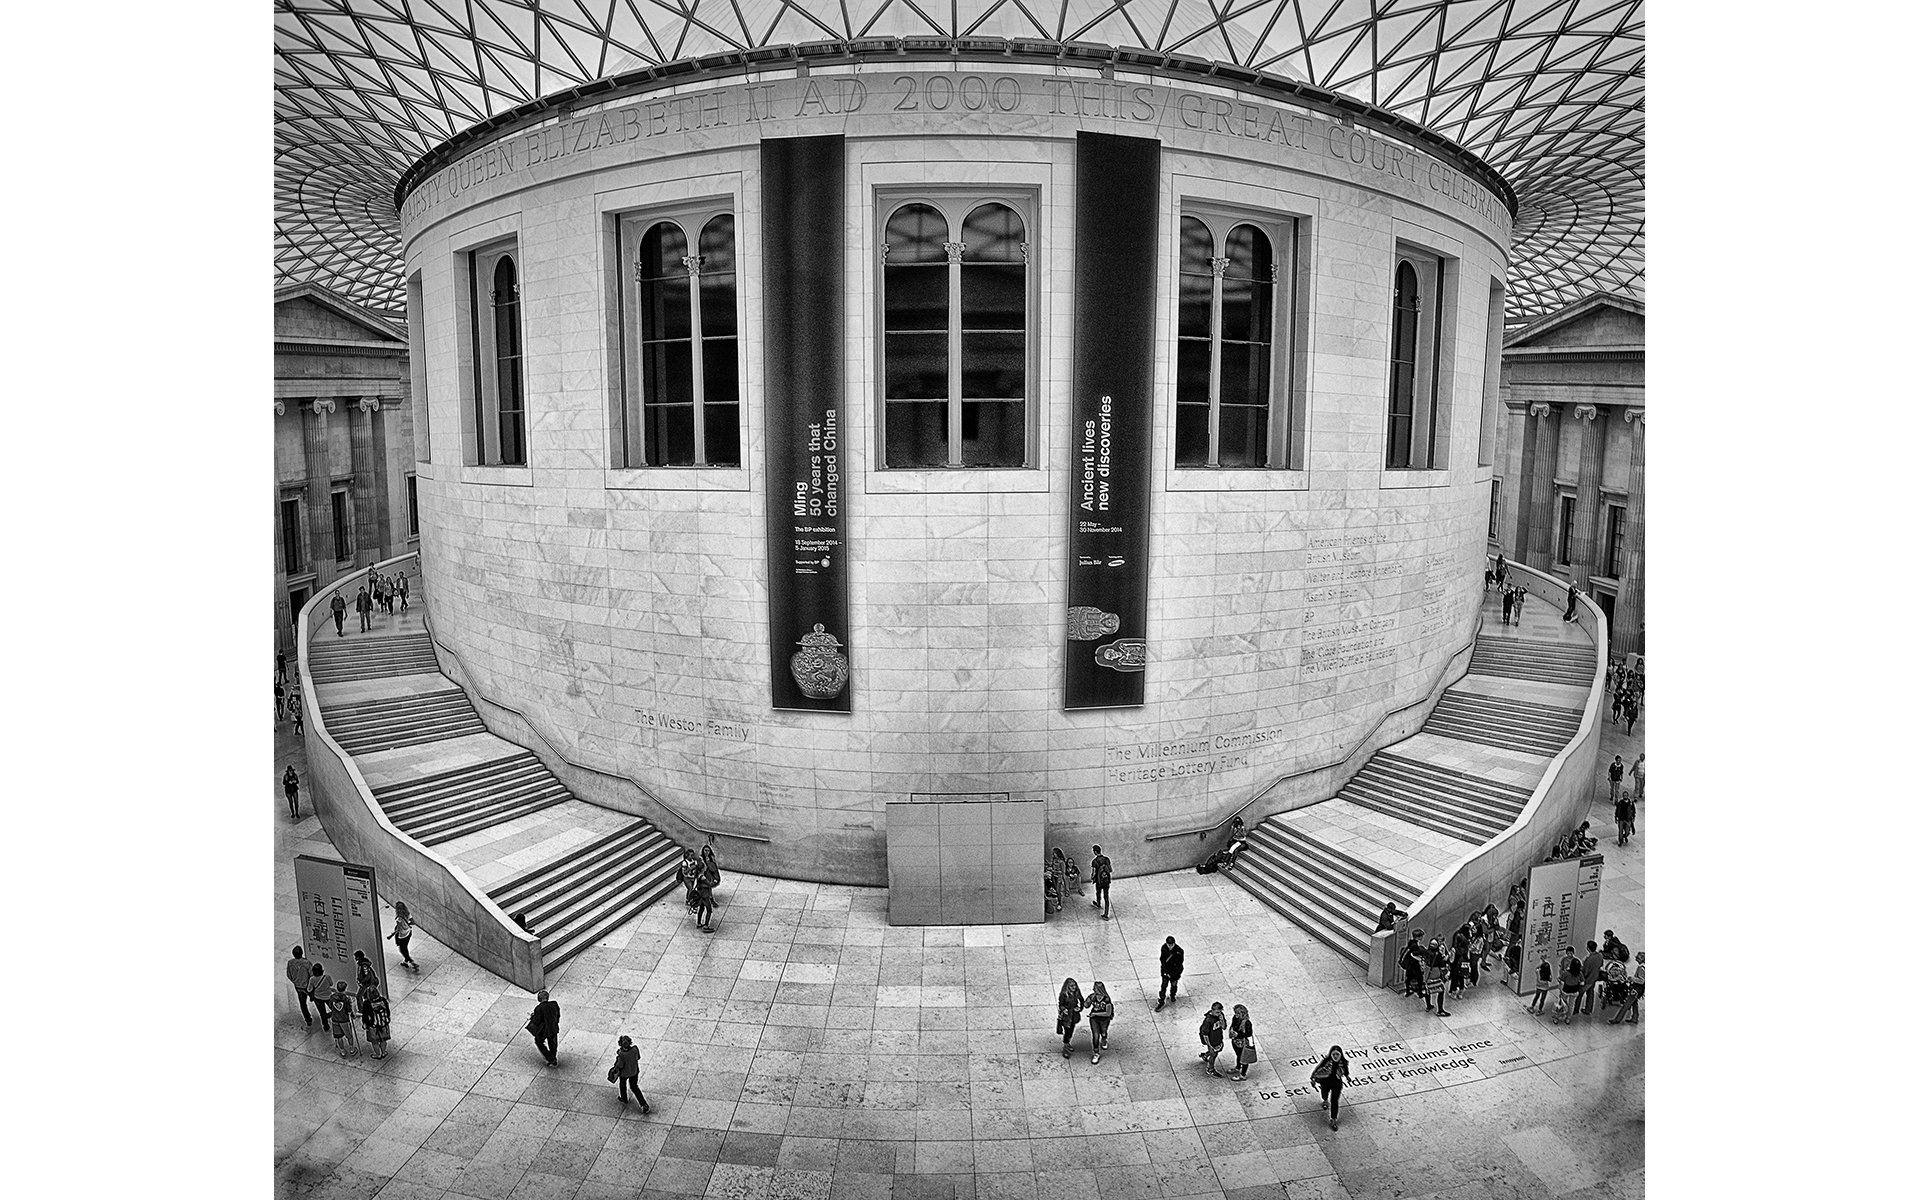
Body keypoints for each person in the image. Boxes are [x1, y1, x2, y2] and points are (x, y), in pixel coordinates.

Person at [1311, 1046, 1351, 1129]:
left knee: (1334, 1101)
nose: (1335, 1056)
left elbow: (1346, 1071)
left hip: (1337, 1084)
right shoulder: (1326, 1062)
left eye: (1337, 1054)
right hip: (1325, 1082)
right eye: (1334, 1054)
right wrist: (1313, 1078)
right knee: (1324, 1093)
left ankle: (1333, 1119)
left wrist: (1347, 1076)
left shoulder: (1343, 1062)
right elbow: (1318, 1069)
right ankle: (1325, 1100)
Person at [610, 1034, 650, 1110]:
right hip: (634, 1071)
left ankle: (624, 1099)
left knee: (622, 1085)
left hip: (624, 1074)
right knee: (634, 1087)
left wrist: (618, 1055)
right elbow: (638, 1057)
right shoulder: (635, 1049)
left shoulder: (622, 1054)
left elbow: (620, 1065)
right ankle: (644, 1104)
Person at [527, 989, 561, 1065]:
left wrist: (532, 1017)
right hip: (553, 1027)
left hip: (545, 1030)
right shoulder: (554, 1004)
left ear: (539, 999)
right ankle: (553, 1057)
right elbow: (558, 1015)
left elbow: (537, 1021)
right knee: (553, 1043)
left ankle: (550, 1058)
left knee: (538, 1041)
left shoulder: (539, 1008)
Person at [1610, 952, 1645, 1024]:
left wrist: (1632, 978)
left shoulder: (1641, 968)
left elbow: (1642, 981)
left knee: (1626, 1005)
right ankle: (1635, 1017)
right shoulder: (1643, 967)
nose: (1636, 958)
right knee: (1634, 1003)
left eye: (1637, 958)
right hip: (1639, 989)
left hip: (1636, 989)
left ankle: (1617, 1019)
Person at [328, 980, 360, 1056]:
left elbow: (330, 1006)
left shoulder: (332, 998)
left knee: (339, 1037)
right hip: (344, 1020)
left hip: (335, 1019)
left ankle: (342, 1051)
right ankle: (352, 1049)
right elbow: (349, 1010)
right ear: (345, 989)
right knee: (349, 1035)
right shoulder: (346, 999)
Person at [286, 946, 315, 1027]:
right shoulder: (306, 963)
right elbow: (312, 975)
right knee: (317, 999)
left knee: (303, 1004)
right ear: (302, 953)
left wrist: (295, 981)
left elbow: (289, 975)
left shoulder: (290, 963)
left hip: (298, 986)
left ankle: (308, 1019)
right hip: (307, 986)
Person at [1086, 982, 1114, 1064]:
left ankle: (1104, 1039)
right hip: (1094, 1019)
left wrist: (1095, 1013)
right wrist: (1087, 1001)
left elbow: (1108, 1013)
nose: (1093, 989)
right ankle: (1096, 1053)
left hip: (1104, 1020)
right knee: (1095, 1036)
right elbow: (1086, 1005)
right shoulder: (1093, 997)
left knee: (1103, 1032)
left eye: (1095, 988)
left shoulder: (1106, 999)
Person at [1227, 1003, 1257, 1081]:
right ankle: (1237, 1067)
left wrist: (1238, 1034)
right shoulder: (1235, 1018)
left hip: (1243, 1043)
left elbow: (1249, 1034)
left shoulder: (1247, 1023)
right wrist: (1231, 1031)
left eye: (1238, 1013)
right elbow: (1233, 1025)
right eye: (1235, 1012)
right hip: (1236, 1040)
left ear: (1242, 1013)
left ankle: (1243, 1075)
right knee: (1238, 1055)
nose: (1236, 1014)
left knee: (1244, 1059)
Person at [1056, 977, 1084, 1058]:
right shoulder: (1064, 995)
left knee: (1071, 1031)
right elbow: (1061, 1005)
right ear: (1067, 987)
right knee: (1067, 1032)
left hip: (1074, 1016)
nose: (1074, 987)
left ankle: (1067, 1043)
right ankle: (1065, 1046)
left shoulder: (1077, 993)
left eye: (1074, 985)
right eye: (1072, 986)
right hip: (1066, 1017)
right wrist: (1064, 1009)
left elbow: (1082, 1000)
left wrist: (1080, 1008)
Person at [1198, 1003, 1228, 1077]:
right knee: (1213, 1054)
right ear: (1212, 1010)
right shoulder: (1208, 1021)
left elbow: (1224, 1027)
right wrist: (1209, 1046)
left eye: (1220, 1012)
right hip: (1211, 1040)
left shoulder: (1220, 1015)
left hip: (1218, 1037)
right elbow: (1205, 1034)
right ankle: (1210, 1069)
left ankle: (1205, 1055)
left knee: (1217, 1050)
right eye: (1217, 1012)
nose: (1219, 1014)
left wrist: (1222, 1020)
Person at [1553, 948, 1582, 1025]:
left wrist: (1560, 983)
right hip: (1575, 991)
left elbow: (1561, 980)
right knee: (1571, 1005)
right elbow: (1582, 982)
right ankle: (1568, 1018)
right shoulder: (1579, 973)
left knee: (1562, 1004)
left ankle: (1559, 1017)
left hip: (1566, 990)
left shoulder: (1566, 973)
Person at [1424, 939, 1451, 1017]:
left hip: (1427, 973)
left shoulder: (1426, 952)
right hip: (1436, 973)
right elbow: (1442, 965)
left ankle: (1428, 1005)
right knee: (1441, 991)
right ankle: (1440, 1010)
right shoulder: (1437, 954)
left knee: (1427, 989)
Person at [1400, 930, 1428, 1007]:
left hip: (1409, 965)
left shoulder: (1410, 942)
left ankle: (1408, 991)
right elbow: (1415, 955)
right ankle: (1420, 993)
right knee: (1420, 978)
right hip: (1414, 965)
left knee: (1408, 978)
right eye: (1422, 936)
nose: (1422, 937)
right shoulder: (1415, 946)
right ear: (1418, 937)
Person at [1157, 937, 1185, 1011]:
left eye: (1171, 944)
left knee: (1174, 985)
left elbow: (1179, 964)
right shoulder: (1164, 948)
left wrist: (1172, 974)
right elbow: (1162, 960)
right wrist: (1165, 972)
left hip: (1175, 973)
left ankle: (1173, 995)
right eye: (1168, 944)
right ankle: (1161, 1001)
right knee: (1163, 986)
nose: (1169, 946)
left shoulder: (1179, 951)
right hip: (1166, 972)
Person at [389, 901, 418, 971]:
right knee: (405, 947)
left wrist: (390, 935)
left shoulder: (399, 918)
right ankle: (405, 962)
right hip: (408, 933)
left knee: (402, 949)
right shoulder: (408, 914)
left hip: (402, 936)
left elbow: (398, 930)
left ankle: (411, 961)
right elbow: (413, 922)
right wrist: (407, 925)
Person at [1579, 941, 1605, 1016]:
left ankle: (1576, 1009)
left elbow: (1585, 972)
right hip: (1595, 977)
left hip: (1588, 980)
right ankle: (1588, 1009)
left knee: (1580, 994)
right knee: (1590, 993)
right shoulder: (1600, 956)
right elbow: (1601, 964)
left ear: (1588, 948)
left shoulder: (1588, 960)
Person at [308, 963, 336, 1028]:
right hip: (328, 997)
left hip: (318, 998)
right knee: (334, 1009)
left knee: (322, 1012)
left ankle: (326, 1026)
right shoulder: (327, 977)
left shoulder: (312, 979)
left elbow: (309, 989)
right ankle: (331, 1017)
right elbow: (331, 984)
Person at [1089, 845, 1113, 920]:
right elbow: (1110, 870)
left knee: (1098, 892)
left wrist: (1092, 878)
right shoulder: (1107, 859)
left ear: (1095, 852)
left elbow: (1093, 873)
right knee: (1106, 897)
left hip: (1099, 881)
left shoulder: (1094, 861)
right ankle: (1106, 914)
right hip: (1106, 881)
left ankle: (1098, 904)